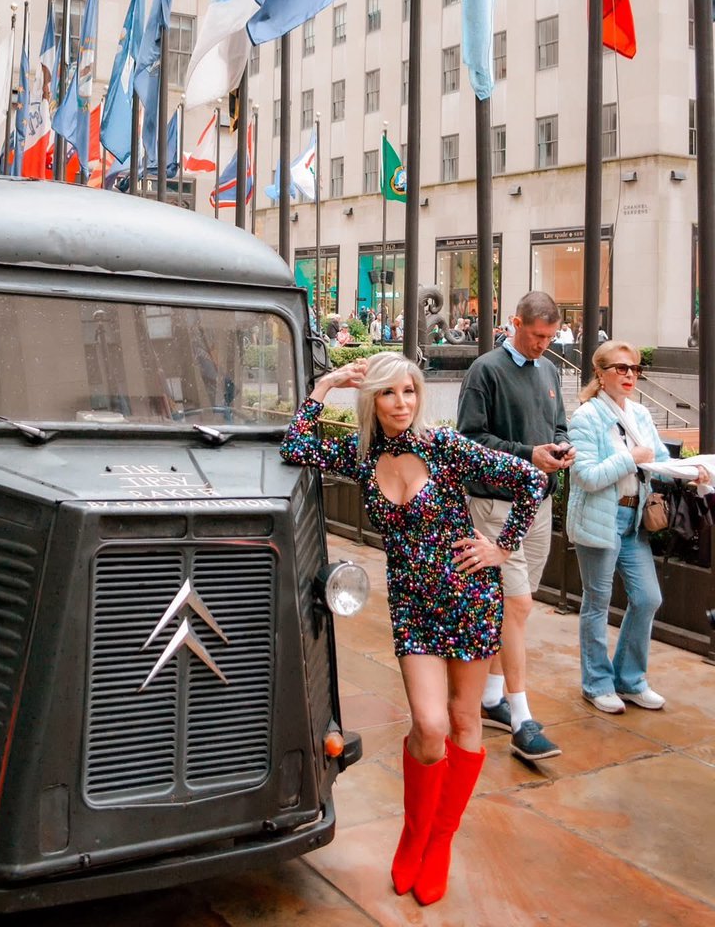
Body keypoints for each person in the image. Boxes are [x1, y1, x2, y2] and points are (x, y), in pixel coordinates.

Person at [280, 353, 545, 905]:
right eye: (389, 394)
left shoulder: (444, 447)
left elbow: (531, 478)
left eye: (410, 392)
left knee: (463, 718)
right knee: (428, 725)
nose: (402, 404)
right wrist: (326, 383)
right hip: (413, 607)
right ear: (371, 400)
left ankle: (440, 842)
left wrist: (500, 546)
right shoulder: (361, 454)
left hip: (469, 599)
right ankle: (414, 833)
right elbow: (294, 447)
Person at [456, 290, 575, 761]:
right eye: (537, 335)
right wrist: (529, 454)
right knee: (517, 606)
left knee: (518, 611)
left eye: (550, 336)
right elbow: (469, 441)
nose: (544, 345)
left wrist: (561, 449)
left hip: (538, 503)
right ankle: (522, 717)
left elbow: (559, 425)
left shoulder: (549, 369)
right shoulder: (485, 370)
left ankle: (489, 699)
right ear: (515, 323)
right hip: (495, 507)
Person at [566, 341, 702, 713]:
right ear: (601, 373)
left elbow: (658, 462)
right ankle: (596, 684)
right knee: (596, 603)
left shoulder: (640, 415)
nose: (629, 375)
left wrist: (694, 473)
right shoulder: (586, 417)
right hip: (600, 518)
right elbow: (586, 476)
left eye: (634, 370)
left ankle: (630, 679)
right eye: (620, 368)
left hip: (634, 520)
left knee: (648, 598)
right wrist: (629, 458)